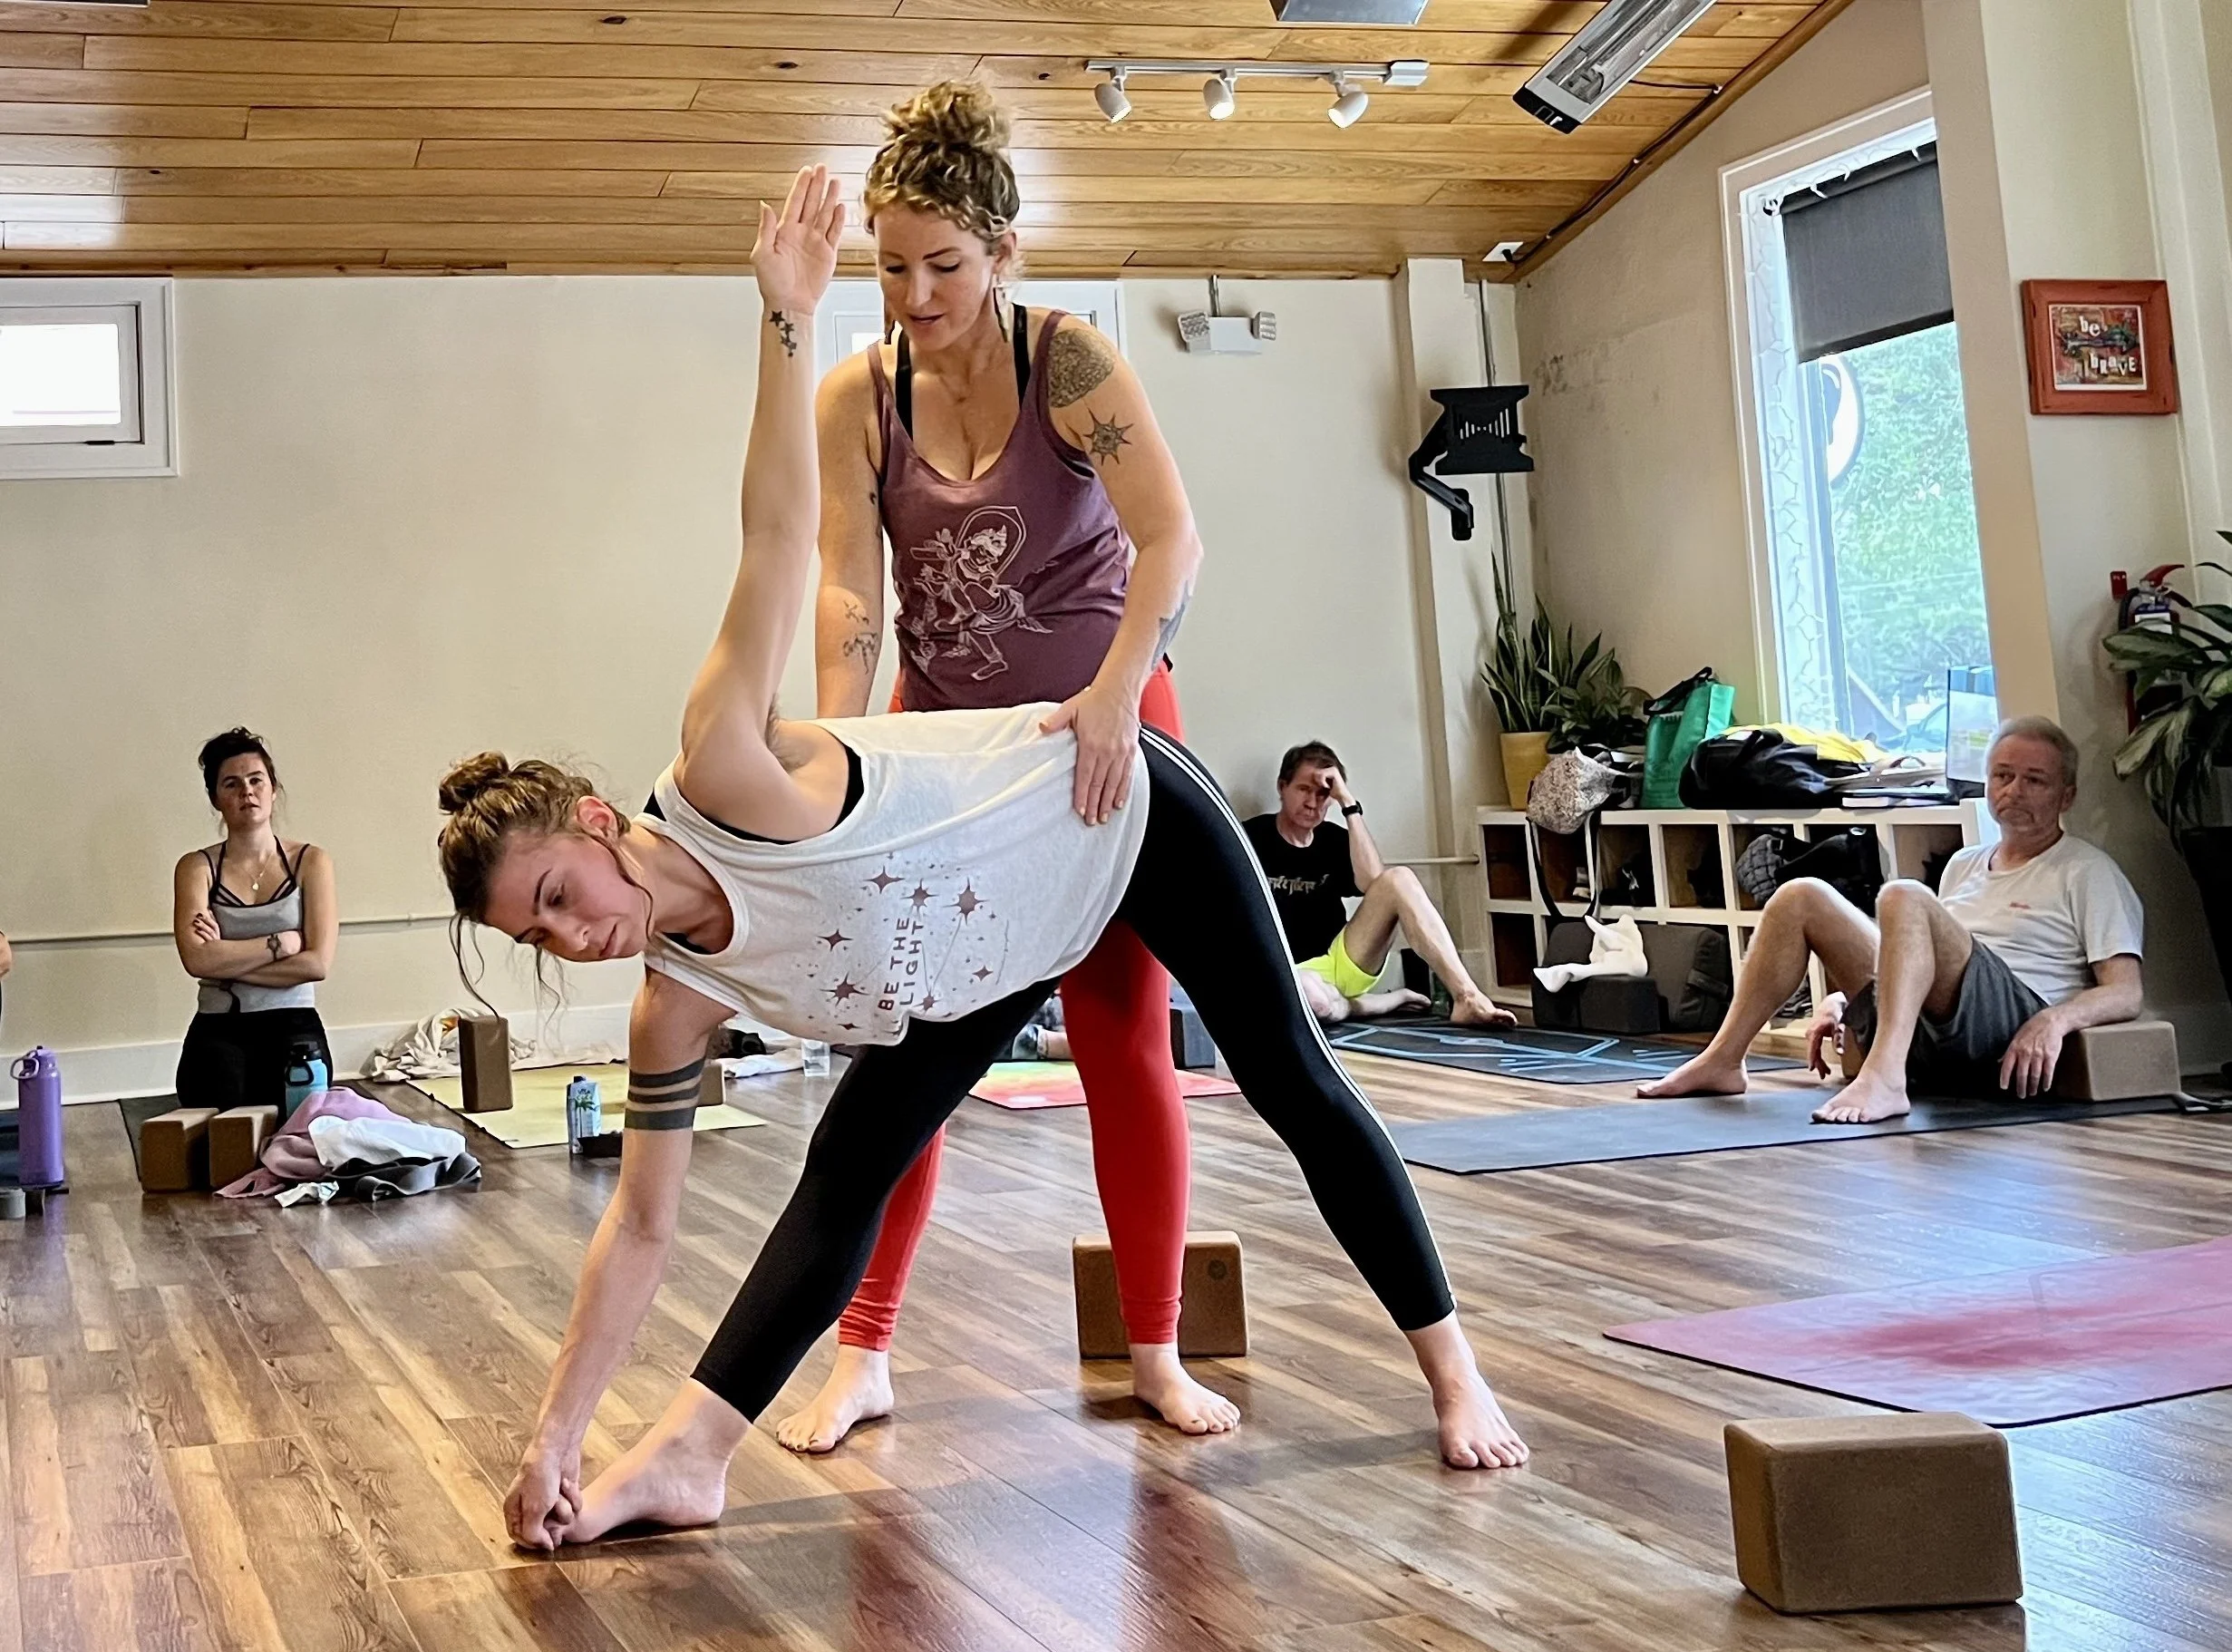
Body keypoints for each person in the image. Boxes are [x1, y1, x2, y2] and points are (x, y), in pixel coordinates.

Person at [437, 171, 1526, 1553]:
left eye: (555, 897)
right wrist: (555, 1433)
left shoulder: (722, 759)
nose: (572, 936)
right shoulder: (670, 998)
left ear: (596, 822)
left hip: (1113, 803)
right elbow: (639, 1231)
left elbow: (775, 539)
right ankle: (692, 1454)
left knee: (1289, 1077)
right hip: (977, 922)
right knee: (851, 1159)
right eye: (537, 940)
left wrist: (783, 319)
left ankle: (1447, 1365)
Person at [792, 79, 1218, 1453]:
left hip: (1106, 725)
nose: (914, 294)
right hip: (954, 750)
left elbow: (1171, 542)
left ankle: (1152, 1346)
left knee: (1117, 1034)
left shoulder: (1069, 363)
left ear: (1004, 251)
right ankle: (861, 1349)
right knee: (909, 1051)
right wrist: (841, 758)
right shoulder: (859, 396)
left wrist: (1109, 701)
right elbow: (848, 588)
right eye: (891, 266)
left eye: (945, 266)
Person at [1641, 716, 2144, 1122]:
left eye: (2035, 780)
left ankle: (1885, 1077)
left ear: (2067, 796)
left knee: (1902, 895)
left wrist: (2053, 1021)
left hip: (2010, 1013)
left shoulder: (2086, 870)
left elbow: (2126, 991)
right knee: (1801, 895)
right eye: (2003, 776)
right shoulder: (1966, 862)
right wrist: (1842, 997)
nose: (2014, 790)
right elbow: (1919, 958)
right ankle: (1724, 1059)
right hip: (1939, 1021)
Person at [1244, 743, 1516, 1029]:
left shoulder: (1335, 840)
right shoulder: (1250, 838)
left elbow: (1376, 885)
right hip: (1285, 973)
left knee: (1399, 878)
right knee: (1316, 1001)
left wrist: (1348, 803)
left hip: (1340, 962)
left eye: (1323, 793)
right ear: (1282, 787)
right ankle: (1379, 1002)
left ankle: (1467, 996)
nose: (1313, 802)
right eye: (1303, 789)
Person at [170, 730, 337, 1110]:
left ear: (273, 789)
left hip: (294, 1021)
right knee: (224, 1120)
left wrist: (225, 964)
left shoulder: (311, 862)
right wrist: (279, 944)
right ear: (216, 799)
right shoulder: (196, 867)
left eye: (256, 780)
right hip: (219, 1023)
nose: (246, 791)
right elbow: (196, 960)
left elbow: (317, 963)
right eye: (231, 783)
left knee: (299, 1124)